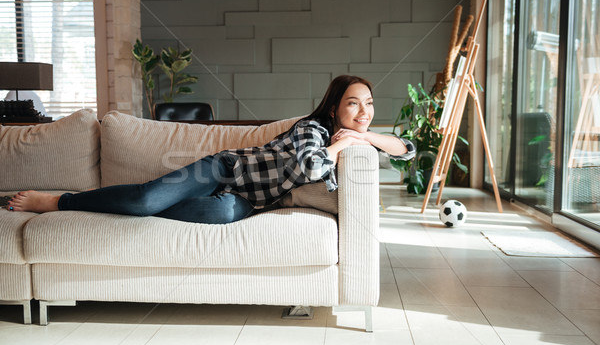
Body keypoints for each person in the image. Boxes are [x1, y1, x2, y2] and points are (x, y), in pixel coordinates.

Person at [7, 75, 416, 223]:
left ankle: (125, 206)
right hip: (225, 170)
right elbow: (311, 166)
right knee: (148, 199)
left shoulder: (352, 140)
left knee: (217, 213)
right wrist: (341, 145)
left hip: (249, 201)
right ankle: (60, 202)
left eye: (369, 104)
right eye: (353, 103)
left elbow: (408, 148)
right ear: (334, 107)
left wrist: (362, 138)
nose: (364, 111)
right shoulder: (310, 128)